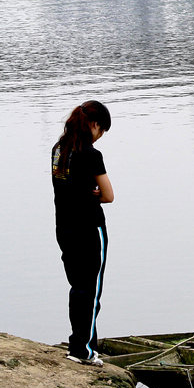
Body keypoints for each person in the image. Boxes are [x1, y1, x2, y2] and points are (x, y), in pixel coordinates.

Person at [52, 100, 113, 366]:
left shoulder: (59, 150)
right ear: (94, 124)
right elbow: (109, 195)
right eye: (102, 130)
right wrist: (95, 194)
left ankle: (85, 344)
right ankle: (82, 350)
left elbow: (68, 188)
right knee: (91, 290)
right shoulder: (91, 154)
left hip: (65, 227)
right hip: (90, 228)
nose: (101, 136)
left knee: (78, 288)